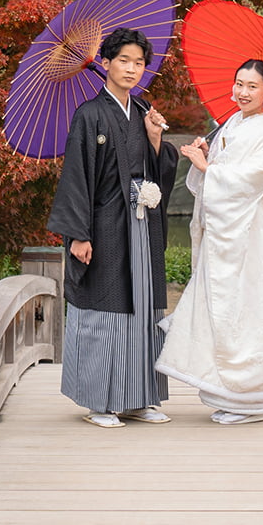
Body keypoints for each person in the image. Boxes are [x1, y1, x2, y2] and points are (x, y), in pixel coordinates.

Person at [47, 27, 178, 428]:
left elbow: (156, 169)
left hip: (141, 224)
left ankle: (140, 397)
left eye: (139, 63)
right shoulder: (89, 114)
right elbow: (76, 177)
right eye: (123, 60)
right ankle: (99, 401)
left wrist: (155, 140)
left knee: (142, 307)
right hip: (103, 225)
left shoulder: (141, 113)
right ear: (104, 63)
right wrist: (79, 235)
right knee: (105, 306)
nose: (132, 69)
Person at [156, 59, 263, 424]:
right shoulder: (232, 124)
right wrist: (207, 155)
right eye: (238, 84)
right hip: (223, 235)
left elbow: (258, 177)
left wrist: (210, 169)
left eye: (252, 86)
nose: (243, 92)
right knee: (217, 308)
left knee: (241, 309)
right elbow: (217, 177)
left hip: (243, 238)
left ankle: (248, 399)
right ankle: (227, 394)